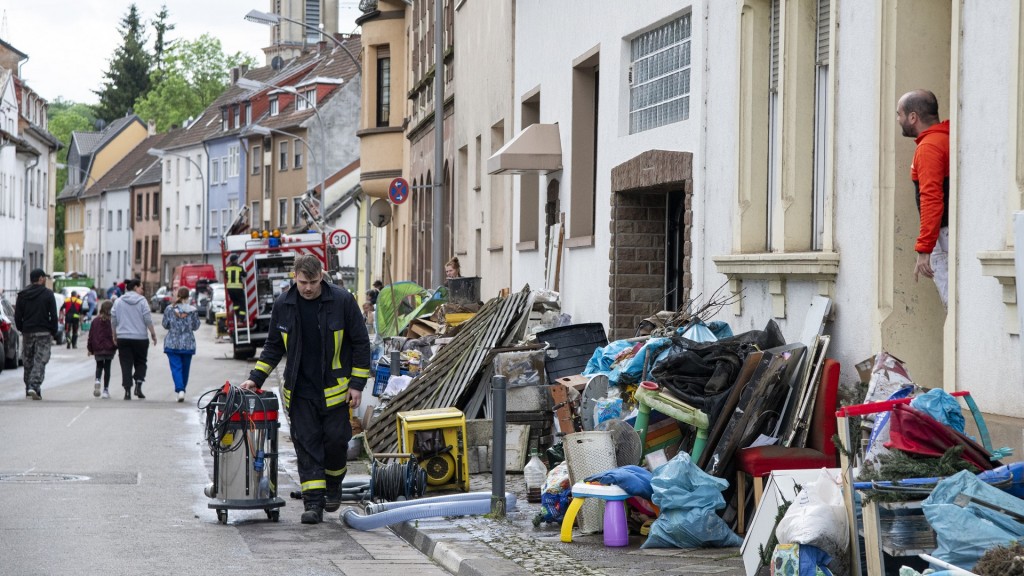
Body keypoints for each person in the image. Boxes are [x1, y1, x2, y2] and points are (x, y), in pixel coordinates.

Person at [240, 255, 371, 525]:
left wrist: (357, 384)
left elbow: (360, 343)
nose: (308, 288)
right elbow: (274, 346)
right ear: (295, 278)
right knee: (307, 447)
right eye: (303, 282)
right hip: (299, 392)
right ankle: (314, 504)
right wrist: (257, 378)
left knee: (336, 442)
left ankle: (334, 484)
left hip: (336, 392)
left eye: (313, 282)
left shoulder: (342, 301)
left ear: (321, 276)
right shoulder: (284, 304)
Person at [897, 89, 950, 308]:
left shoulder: (928, 147)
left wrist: (924, 249)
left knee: (954, 307)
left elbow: (931, 198)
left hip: (943, 236)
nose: (898, 120)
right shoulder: (946, 137)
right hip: (950, 232)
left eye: (899, 114)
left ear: (913, 117)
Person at [14, 269, 58, 400]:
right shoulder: (48, 294)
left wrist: (22, 328)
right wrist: (53, 331)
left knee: (28, 360)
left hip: (27, 331)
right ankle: (34, 386)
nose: (45, 280)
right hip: (43, 332)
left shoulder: (22, 295)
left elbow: (18, 316)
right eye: (44, 277)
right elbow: (53, 315)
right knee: (40, 359)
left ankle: (29, 388)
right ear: (40, 278)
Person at [112, 279, 158, 400]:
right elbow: (148, 318)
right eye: (141, 287)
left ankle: (127, 391)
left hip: (123, 337)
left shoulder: (118, 301)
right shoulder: (142, 301)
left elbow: (114, 320)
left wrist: (114, 335)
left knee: (125, 364)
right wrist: (152, 333)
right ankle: (138, 384)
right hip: (140, 338)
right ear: (135, 287)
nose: (142, 290)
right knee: (141, 362)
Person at [162, 287, 201, 403]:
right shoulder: (193, 310)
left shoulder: (169, 309)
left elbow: (165, 324)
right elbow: (196, 326)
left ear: (178, 295)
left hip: (172, 343)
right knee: (185, 368)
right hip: (188, 344)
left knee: (176, 368)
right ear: (188, 296)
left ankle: (180, 389)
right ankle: (182, 389)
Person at [87, 300, 117, 399]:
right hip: (109, 348)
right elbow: (115, 334)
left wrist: (90, 348)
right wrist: (116, 345)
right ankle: (105, 390)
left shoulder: (95, 321)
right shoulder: (112, 321)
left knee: (99, 366)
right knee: (107, 368)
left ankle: (97, 380)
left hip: (98, 348)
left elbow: (91, 335)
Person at [225, 253, 246, 318]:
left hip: (230, 289)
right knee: (242, 302)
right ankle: (241, 318)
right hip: (238, 288)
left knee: (235, 302)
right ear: (235, 260)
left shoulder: (227, 268)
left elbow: (226, 277)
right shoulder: (240, 267)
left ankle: (237, 315)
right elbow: (245, 275)